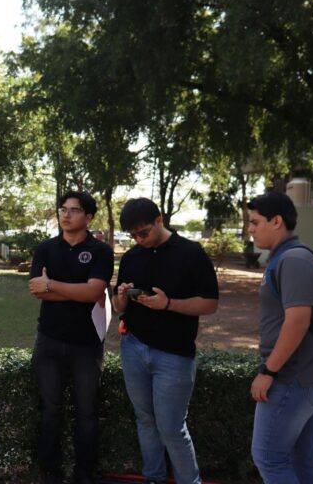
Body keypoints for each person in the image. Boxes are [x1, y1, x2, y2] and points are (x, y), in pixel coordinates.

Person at [112, 198, 218, 484]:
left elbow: (210, 304)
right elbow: (118, 307)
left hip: (174, 353)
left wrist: (168, 303)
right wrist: (121, 297)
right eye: (133, 235)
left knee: (171, 427)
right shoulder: (132, 257)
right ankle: (153, 478)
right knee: (145, 420)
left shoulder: (191, 253)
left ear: (159, 220)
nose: (139, 239)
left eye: (143, 232)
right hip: (133, 346)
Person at [247, 192, 313, 483]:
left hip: (293, 377)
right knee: (301, 455)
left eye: (255, 222)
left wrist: (268, 371)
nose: (250, 229)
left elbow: (298, 322)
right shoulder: (286, 257)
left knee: (268, 457)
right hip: (304, 375)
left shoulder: (294, 259)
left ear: (276, 221)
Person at [28, 191, 114, 484]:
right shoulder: (46, 249)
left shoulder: (100, 251)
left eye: (74, 210)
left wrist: (51, 285)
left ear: (88, 217)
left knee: (86, 412)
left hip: (86, 345)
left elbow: (94, 292)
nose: (66, 215)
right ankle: (51, 472)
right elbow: (37, 290)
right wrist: (77, 291)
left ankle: (84, 472)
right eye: (63, 209)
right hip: (49, 341)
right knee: (50, 410)